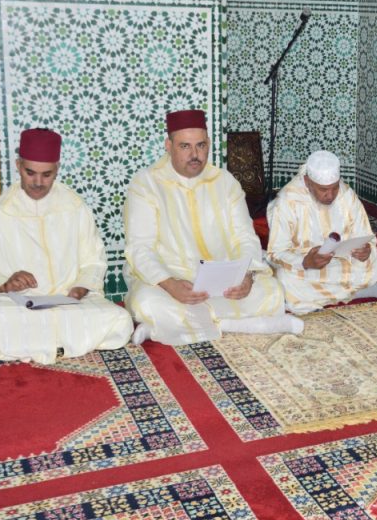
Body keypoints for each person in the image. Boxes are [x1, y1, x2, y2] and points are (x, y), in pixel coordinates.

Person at [124, 110, 301, 345]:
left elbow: (245, 237)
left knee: (272, 291)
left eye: (201, 145)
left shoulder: (225, 182)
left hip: (223, 282)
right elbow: (140, 247)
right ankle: (242, 324)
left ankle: (171, 327)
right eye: (185, 146)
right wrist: (170, 285)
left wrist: (246, 276)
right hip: (174, 279)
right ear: (168, 145)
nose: (195, 155)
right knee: (146, 301)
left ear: (208, 144)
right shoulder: (146, 184)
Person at [0, 128, 133, 366]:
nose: (38, 183)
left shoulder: (75, 208)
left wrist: (81, 287)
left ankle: (31, 345)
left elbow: (94, 260)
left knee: (120, 320)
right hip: (18, 305)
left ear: (57, 169)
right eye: (30, 173)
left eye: (47, 174)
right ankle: (64, 344)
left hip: (69, 303)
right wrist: (5, 283)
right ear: (19, 166)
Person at [268, 150, 377, 313]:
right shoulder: (287, 201)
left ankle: (321, 296)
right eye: (323, 189)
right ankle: (356, 292)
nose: (330, 195)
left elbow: (365, 238)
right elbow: (276, 253)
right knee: (284, 278)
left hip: (341, 262)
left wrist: (366, 251)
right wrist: (305, 262)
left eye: (335, 188)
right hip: (305, 267)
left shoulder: (346, 195)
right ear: (308, 182)